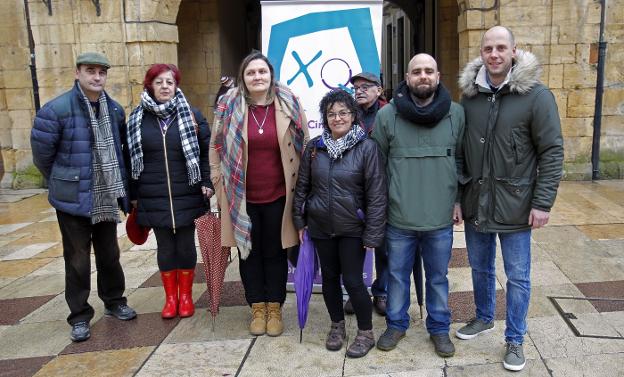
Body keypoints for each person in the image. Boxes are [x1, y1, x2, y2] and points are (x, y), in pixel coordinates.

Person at [455, 26, 564, 371]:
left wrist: (543, 202)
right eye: (488, 48)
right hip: (476, 202)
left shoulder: (536, 96)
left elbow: (551, 151)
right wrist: (458, 197)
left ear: (514, 51)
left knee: (518, 276)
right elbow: (459, 153)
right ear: (482, 53)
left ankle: (515, 339)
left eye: (502, 47)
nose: (495, 54)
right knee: (480, 267)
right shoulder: (469, 98)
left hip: (516, 203)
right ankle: (484, 316)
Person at [31, 52, 137, 342]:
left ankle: (115, 301)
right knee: (77, 259)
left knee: (110, 254)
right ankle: (79, 316)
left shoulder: (114, 110)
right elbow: (43, 156)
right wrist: (65, 180)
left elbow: (120, 151)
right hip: (73, 198)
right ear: (77, 73)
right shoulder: (56, 110)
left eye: (102, 72)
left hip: (105, 194)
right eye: (90, 71)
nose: (97, 77)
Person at [209, 51, 309, 337]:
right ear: (243, 77)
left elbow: (305, 143)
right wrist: (217, 180)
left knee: (275, 251)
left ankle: (275, 306)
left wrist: (306, 187)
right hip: (240, 197)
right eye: (251, 72)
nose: (257, 77)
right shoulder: (227, 105)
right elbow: (215, 147)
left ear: (270, 75)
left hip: (280, 194)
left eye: (262, 72)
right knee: (248, 252)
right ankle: (257, 306)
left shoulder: (288, 102)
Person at [372, 53, 465, 358]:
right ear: (407, 78)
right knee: (396, 276)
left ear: (438, 77)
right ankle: (396, 324)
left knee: (437, 278)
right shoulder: (387, 117)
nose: (423, 76)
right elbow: (379, 166)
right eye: (416, 71)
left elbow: (462, 161)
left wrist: (457, 201)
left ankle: (439, 328)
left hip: (439, 218)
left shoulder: (456, 114)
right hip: (399, 218)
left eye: (429, 71)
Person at [293, 89, 387, 358]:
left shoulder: (367, 148)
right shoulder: (315, 148)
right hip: (320, 227)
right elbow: (302, 188)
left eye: (343, 112)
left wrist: (373, 233)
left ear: (353, 115)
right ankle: (337, 326)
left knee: (354, 281)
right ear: (325, 117)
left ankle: (366, 332)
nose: (337, 118)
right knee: (330, 280)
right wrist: (300, 220)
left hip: (352, 228)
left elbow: (377, 194)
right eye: (331, 114)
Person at [126, 64, 213, 319]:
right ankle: (170, 298)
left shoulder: (192, 115)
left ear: (176, 86)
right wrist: (132, 195)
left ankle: (185, 297)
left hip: (188, 190)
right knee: (165, 247)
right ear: (149, 86)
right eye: (159, 82)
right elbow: (129, 159)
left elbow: (208, 152)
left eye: (170, 82)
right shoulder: (136, 119)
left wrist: (206, 181)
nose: (165, 86)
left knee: (185, 246)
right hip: (153, 194)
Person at [342, 72, 389, 317]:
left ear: (379, 90)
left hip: (383, 188)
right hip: (355, 190)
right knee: (354, 244)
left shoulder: (390, 114)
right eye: (356, 87)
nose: (359, 91)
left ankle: (382, 292)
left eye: (365, 86)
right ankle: (357, 291)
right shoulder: (348, 115)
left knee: (383, 246)